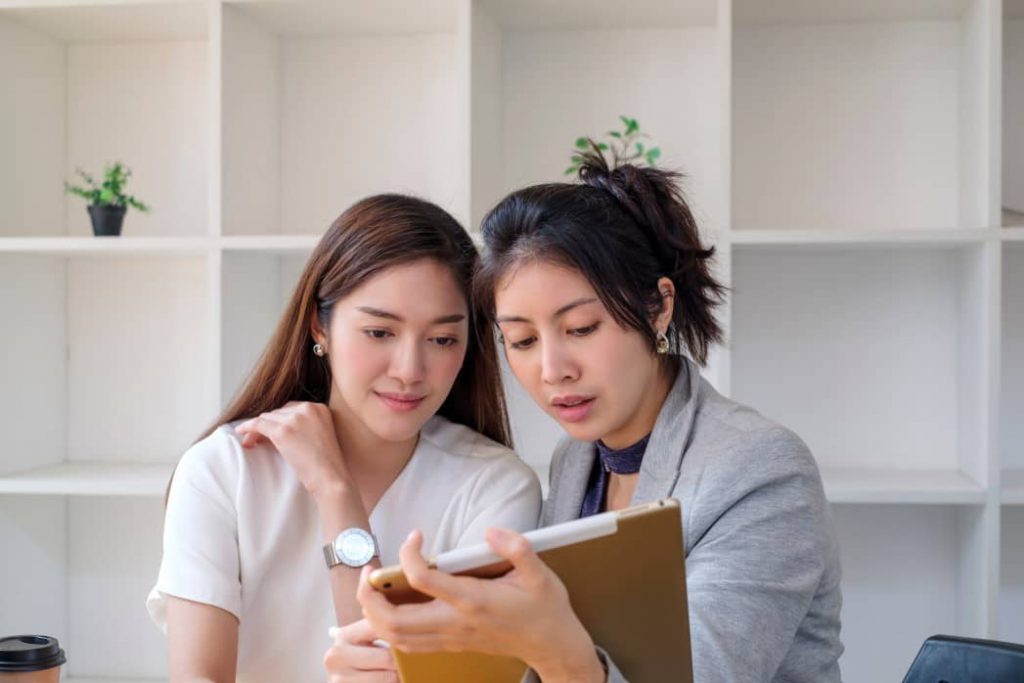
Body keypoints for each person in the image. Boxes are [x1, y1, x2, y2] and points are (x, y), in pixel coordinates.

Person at [340, 153, 844, 682]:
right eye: (523, 341)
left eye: (581, 328)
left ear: (659, 308)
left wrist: (551, 646)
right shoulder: (579, 459)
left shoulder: (759, 469)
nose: (553, 370)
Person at [146, 194, 541, 683]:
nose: (410, 371)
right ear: (320, 325)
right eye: (379, 332)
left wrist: (334, 491)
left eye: (442, 339)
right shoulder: (224, 470)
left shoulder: (496, 487)